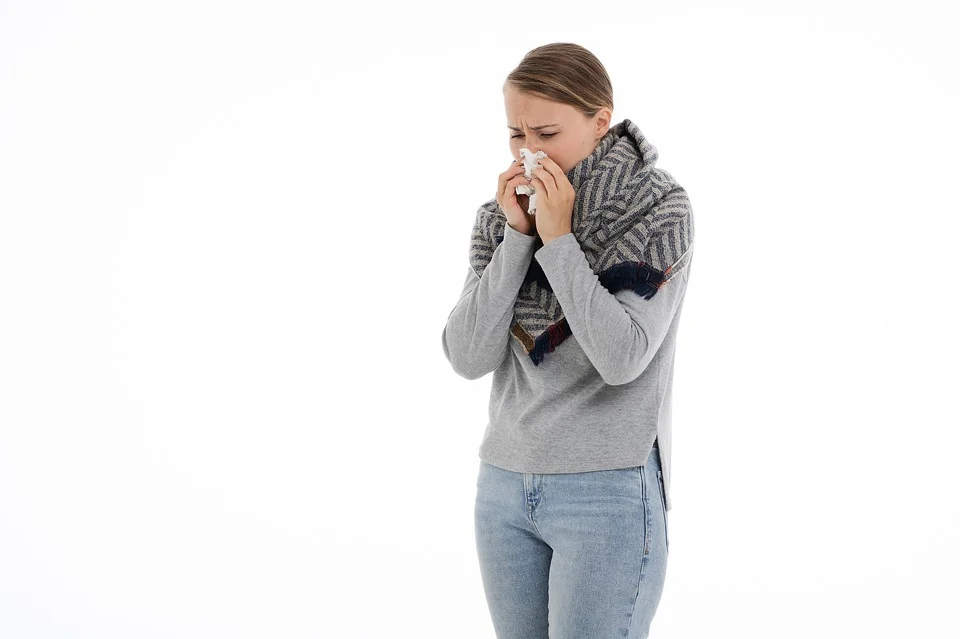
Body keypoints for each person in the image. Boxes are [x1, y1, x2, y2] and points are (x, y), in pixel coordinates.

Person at [441, 42, 694, 639]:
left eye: (547, 133)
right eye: (515, 134)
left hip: (607, 491)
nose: (528, 152)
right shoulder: (500, 217)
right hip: (503, 486)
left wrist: (559, 243)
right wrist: (518, 240)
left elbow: (622, 358)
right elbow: (468, 356)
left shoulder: (657, 209)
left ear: (600, 121)